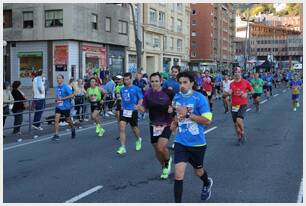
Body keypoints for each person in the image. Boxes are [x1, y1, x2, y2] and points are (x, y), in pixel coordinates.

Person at [171, 71, 213, 203]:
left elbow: (207, 120)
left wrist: (188, 115)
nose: (182, 85)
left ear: (192, 83)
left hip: (197, 144)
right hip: (181, 142)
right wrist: (174, 123)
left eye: (185, 82)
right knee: (178, 174)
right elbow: (177, 115)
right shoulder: (176, 98)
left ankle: (206, 183)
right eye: (180, 82)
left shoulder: (200, 98)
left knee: (198, 172)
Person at [138, 72, 174, 179]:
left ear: (161, 81)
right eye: (152, 81)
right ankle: (163, 167)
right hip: (153, 124)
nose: (154, 83)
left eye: (156, 81)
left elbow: (177, 103)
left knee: (161, 147)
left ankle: (168, 161)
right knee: (157, 150)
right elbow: (144, 108)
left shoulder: (168, 92)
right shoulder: (148, 93)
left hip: (167, 123)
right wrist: (140, 108)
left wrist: (173, 108)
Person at [116, 72, 143, 155]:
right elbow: (122, 99)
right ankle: (123, 147)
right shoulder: (122, 89)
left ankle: (138, 139)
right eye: (125, 79)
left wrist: (138, 106)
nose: (126, 81)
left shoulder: (136, 88)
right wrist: (121, 106)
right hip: (124, 111)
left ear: (131, 79)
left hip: (133, 111)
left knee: (134, 128)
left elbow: (141, 99)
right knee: (121, 127)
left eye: (127, 79)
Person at [229, 67, 253, 145]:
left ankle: (243, 132)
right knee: (236, 124)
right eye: (235, 72)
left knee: (239, 120)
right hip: (234, 105)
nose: (237, 73)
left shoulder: (246, 82)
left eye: (238, 72)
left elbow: (252, 91)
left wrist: (247, 93)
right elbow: (230, 92)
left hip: (242, 104)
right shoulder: (231, 83)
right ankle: (239, 137)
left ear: (241, 73)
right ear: (234, 74)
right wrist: (228, 93)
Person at [52, 74, 76, 141]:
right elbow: (58, 96)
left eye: (59, 78)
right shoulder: (57, 87)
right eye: (57, 78)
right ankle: (56, 134)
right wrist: (56, 100)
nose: (58, 79)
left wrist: (63, 98)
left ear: (62, 79)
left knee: (68, 120)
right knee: (56, 120)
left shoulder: (65, 87)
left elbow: (72, 95)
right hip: (58, 106)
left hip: (66, 107)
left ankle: (73, 128)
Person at [114, 75, 124, 140]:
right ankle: (120, 134)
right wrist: (115, 101)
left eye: (119, 79)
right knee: (118, 118)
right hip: (118, 103)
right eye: (117, 79)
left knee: (121, 120)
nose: (118, 81)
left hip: (123, 104)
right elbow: (116, 95)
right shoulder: (116, 87)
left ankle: (122, 133)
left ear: (122, 80)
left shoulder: (124, 87)